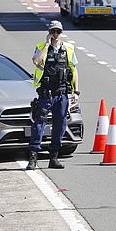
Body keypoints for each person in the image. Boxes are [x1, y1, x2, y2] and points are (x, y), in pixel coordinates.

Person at [27, 20, 78, 170]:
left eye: (58, 32)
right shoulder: (42, 47)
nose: (55, 35)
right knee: (39, 124)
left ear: (62, 33)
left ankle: (53, 157)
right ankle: (33, 157)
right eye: (53, 32)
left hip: (61, 93)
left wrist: (76, 91)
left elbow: (74, 70)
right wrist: (47, 45)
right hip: (46, 93)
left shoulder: (68, 48)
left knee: (60, 125)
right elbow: (36, 61)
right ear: (49, 33)